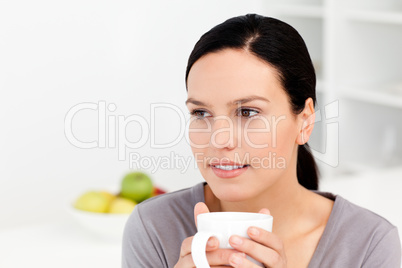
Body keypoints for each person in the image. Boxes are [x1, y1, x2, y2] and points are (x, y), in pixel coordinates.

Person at [122, 14, 401, 267]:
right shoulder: (154, 228)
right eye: (201, 113)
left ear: (305, 121)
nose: (220, 139)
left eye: (247, 112)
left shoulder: (370, 245)